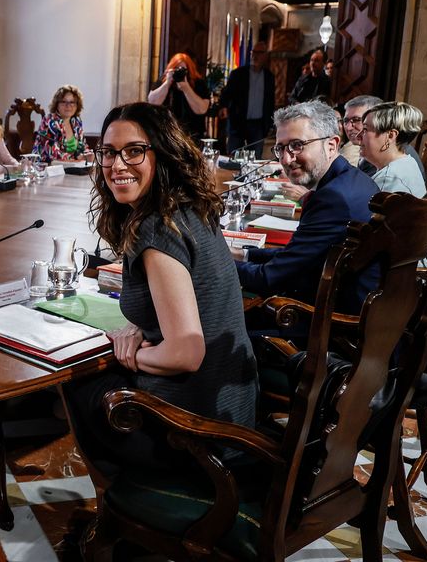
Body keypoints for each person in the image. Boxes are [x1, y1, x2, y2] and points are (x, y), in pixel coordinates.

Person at [63, 102, 257, 475]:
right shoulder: (188, 208)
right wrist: (144, 326)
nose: (117, 165)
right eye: (108, 152)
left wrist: (130, 356)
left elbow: (186, 353)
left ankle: (129, 507)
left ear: (163, 152)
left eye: (134, 151)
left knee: (80, 380)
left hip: (193, 437)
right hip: (233, 418)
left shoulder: (155, 231)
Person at [234, 100, 379, 316]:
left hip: (327, 323)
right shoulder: (352, 179)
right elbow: (300, 255)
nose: (286, 158)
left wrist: (214, 262)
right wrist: (244, 255)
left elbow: (269, 278)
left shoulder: (333, 199)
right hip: (352, 310)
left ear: (331, 145)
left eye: (297, 145)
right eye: (280, 148)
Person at [344, 94, 426, 178]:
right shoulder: (397, 156)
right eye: (346, 121)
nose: (348, 127)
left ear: (390, 136)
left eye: (365, 129)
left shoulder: (389, 176)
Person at [218, 42, 275, 158]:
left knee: (254, 158)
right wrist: (223, 107)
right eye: (253, 52)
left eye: (259, 53)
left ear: (266, 55)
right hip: (238, 123)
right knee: (234, 158)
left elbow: (270, 101)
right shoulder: (238, 74)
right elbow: (226, 93)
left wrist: (269, 123)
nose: (255, 56)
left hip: (258, 125)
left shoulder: (269, 77)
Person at [359, 101, 427, 197]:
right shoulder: (407, 162)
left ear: (390, 136)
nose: (358, 136)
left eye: (365, 129)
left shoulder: (388, 180)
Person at [147, 53, 211, 140]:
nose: (179, 73)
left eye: (183, 70)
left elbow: (202, 109)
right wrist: (167, 83)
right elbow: (152, 102)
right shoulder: (164, 81)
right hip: (166, 133)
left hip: (192, 135)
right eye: (176, 69)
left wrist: (186, 88)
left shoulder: (199, 83)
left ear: (190, 70)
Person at [32, 84, 90, 162]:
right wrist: (77, 160)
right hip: (45, 168)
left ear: (77, 105)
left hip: (71, 168)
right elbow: (53, 154)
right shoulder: (50, 121)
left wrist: (88, 155)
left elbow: (83, 146)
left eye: (72, 102)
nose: (68, 106)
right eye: (63, 102)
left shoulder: (76, 122)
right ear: (57, 104)